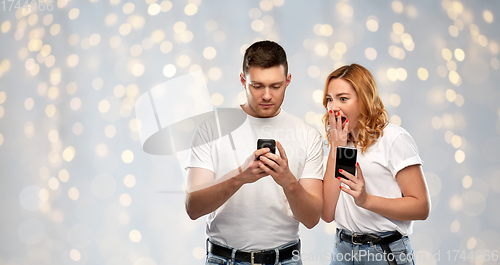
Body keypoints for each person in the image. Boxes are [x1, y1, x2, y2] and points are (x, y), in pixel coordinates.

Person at [185, 40, 324, 265]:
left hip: (285, 259)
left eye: (275, 86)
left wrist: (288, 181)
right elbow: (192, 207)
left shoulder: (308, 135)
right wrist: (240, 177)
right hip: (224, 259)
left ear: (288, 81)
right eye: (257, 86)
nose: (267, 95)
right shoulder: (213, 128)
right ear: (243, 80)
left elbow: (311, 219)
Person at [321, 64, 430, 265]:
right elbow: (327, 213)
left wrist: (366, 200)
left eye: (343, 99)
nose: (333, 108)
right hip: (343, 251)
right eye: (329, 99)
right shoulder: (342, 143)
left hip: (384, 252)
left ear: (364, 100)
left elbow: (421, 207)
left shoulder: (393, 138)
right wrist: (336, 148)